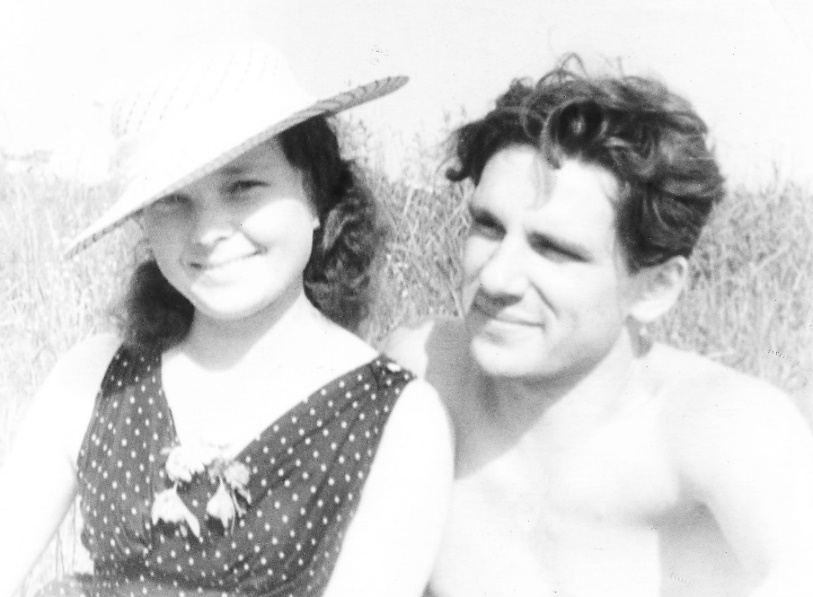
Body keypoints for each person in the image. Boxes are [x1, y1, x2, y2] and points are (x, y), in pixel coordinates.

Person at [0, 42, 453, 597]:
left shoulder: (396, 417)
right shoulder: (95, 377)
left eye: (242, 187)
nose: (208, 231)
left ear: (316, 193)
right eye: (172, 200)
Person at [385, 58, 813, 597]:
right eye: (488, 227)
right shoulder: (426, 373)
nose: (495, 277)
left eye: (554, 249)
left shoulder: (721, 428)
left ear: (655, 288)